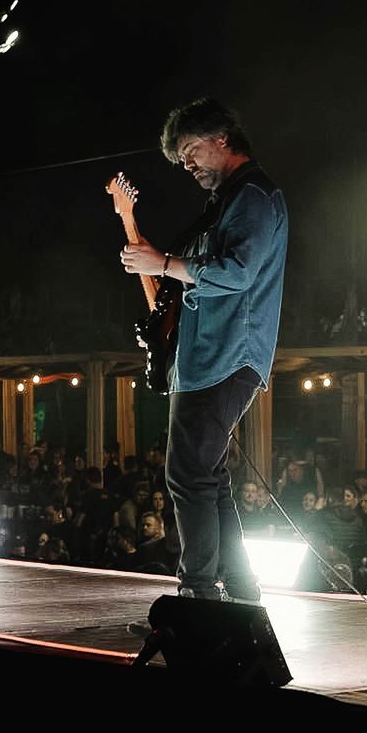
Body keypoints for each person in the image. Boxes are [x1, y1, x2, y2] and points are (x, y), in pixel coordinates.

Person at [119, 97, 287, 603]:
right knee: (208, 479)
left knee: (189, 474)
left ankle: (199, 595)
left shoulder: (253, 196)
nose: (188, 165)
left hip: (226, 356)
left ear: (221, 139)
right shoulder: (228, 201)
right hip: (206, 357)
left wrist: (165, 262)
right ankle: (237, 592)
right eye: (181, 159)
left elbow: (237, 273)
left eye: (191, 151)